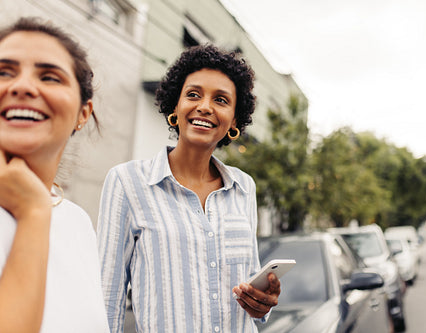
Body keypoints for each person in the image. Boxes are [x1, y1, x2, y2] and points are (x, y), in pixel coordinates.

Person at [97, 44, 281, 333]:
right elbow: (107, 297)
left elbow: (251, 298)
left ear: (234, 120)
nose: (205, 106)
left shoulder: (244, 187)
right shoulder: (127, 182)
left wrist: (262, 302)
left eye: (221, 100)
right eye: (193, 94)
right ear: (175, 106)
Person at [0, 17, 109, 332]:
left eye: (50, 77)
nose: (21, 86)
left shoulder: (76, 222)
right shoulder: (42, 213)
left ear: (83, 113)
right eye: (4, 72)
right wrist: (33, 213)